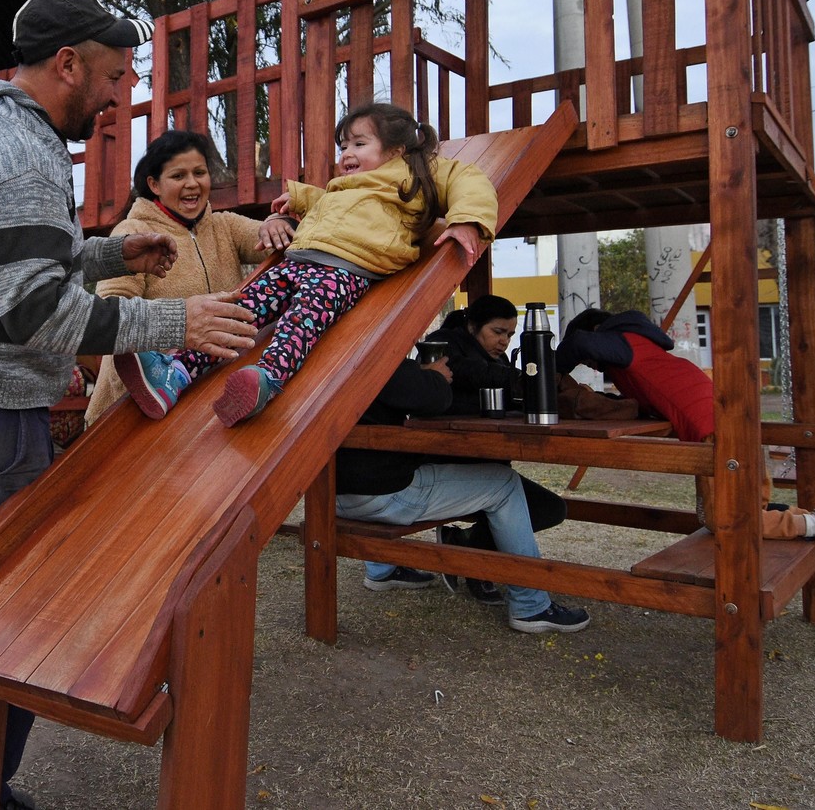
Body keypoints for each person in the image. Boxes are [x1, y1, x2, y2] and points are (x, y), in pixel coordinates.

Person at [0, 0, 258, 810]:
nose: (121, 92)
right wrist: (175, 324)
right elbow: (35, 315)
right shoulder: (21, 154)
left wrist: (105, 252)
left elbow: (12, 275)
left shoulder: (4, 136)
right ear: (66, 64)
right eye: (115, 73)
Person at [119, 100, 497, 428]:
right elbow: (331, 206)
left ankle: (265, 379)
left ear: (396, 150)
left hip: (345, 271)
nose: (346, 153)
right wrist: (299, 200)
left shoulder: (415, 177)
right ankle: (177, 373)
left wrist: (467, 219)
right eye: (344, 145)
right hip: (299, 260)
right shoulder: (346, 186)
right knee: (238, 312)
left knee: (302, 322)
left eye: (359, 144)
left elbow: (469, 179)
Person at [557, 308, 815, 583]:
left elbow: (579, 343)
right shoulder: (642, 355)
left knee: (726, 519)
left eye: (590, 359)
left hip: (716, 434)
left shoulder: (625, 343)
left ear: (599, 331)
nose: (592, 364)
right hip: (734, 424)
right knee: (739, 510)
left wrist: (546, 368)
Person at [336, 356, 592, 633]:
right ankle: (531, 606)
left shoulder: (331, 353)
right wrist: (434, 375)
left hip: (334, 496)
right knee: (504, 484)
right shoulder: (376, 357)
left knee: (406, 464)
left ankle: (381, 569)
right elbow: (431, 398)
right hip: (383, 495)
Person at [84, 129, 293, 425]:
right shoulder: (134, 232)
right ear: (154, 184)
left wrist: (277, 220)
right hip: (129, 406)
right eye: (178, 176)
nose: (192, 184)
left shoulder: (225, 227)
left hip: (198, 394)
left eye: (199, 172)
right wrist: (175, 325)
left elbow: (272, 238)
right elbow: (112, 305)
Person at [413, 295, 570, 603]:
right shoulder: (443, 343)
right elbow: (467, 371)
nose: (504, 341)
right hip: (446, 460)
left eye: (510, 335)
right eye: (498, 332)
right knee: (538, 504)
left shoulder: (496, 359)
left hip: (486, 458)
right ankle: (478, 563)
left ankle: (465, 544)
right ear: (473, 326)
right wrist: (520, 379)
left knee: (551, 508)